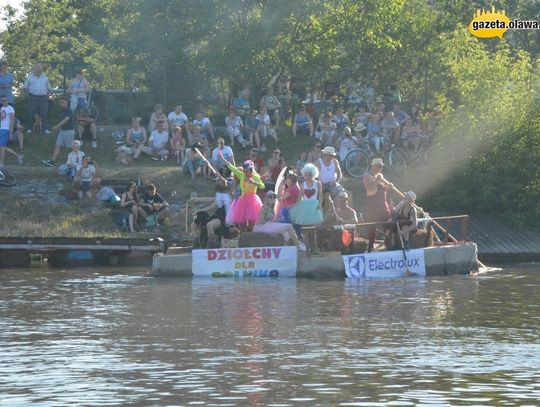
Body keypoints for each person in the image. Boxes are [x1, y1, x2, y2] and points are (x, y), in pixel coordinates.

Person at [221, 154, 264, 232]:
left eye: (246, 170)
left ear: (251, 170)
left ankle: (251, 238)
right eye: (244, 170)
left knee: (252, 226)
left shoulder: (255, 177)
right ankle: (243, 239)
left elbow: (262, 186)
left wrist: (254, 183)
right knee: (242, 225)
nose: (245, 172)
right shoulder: (242, 175)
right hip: (242, 200)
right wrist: (223, 158)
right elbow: (232, 168)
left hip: (252, 201)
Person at [289, 163, 324, 253]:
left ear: (313, 174)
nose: (308, 176)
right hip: (304, 207)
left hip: (314, 207)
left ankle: (314, 247)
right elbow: (300, 196)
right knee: (305, 230)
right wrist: (295, 205)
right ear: (304, 175)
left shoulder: (317, 183)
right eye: (306, 175)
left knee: (313, 229)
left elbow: (320, 195)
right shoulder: (302, 184)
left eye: (309, 174)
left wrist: (320, 205)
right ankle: (307, 247)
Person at [191, 177, 234, 248]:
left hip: (224, 217)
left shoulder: (229, 197)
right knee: (193, 224)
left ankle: (214, 244)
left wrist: (199, 210)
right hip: (216, 216)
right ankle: (196, 242)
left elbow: (212, 206)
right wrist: (195, 200)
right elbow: (209, 199)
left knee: (209, 225)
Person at [363, 158, 393, 252]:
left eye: (382, 167)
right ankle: (371, 246)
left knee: (388, 223)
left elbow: (386, 188)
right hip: (373, 204)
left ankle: (388, 243)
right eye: (380, 166)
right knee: (372, 226)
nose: (381, 168)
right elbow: (369, 189)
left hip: (383, 204)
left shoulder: (381, 176)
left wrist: (389, 185)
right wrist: (377, 181)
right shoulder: (367, 176)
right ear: (374, 166)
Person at [42, 97, 75, 167]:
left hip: (68, 131)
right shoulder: (62, 111)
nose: (61, 104)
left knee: (71, 147)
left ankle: (76, 160)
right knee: (57, 145)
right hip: (62, 131)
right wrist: (58, 129)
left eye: (62, 102)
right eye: (60, 103)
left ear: (66, 102)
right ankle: (52, 161)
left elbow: (66, 120)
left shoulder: (69, 110)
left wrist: (57, 126)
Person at [23, 63, 51, 134]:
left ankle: (45, 129)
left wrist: (48, 95)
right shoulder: (29, 77)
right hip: (32, 97)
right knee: (31, 113)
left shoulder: (45, 78)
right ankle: (29, 129)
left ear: (42, 70)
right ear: (34, 69)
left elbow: (49, 88)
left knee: (44, 114)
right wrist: (27, 96)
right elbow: (25, 88)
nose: (39, 70)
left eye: (40, 69)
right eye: (37, 69)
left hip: (43, 97)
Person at [0, 95, 23, 167]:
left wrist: (10, 133)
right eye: (2, 101)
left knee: (2, 147)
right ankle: (18, 156)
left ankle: (1, 164)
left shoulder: (10, 109)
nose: (4, 102)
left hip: (6, 129)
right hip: (1, 128)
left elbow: (12, 121)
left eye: (5, 100)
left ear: (7, 100)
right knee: (2, 146)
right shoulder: (2, 108)